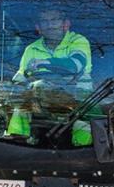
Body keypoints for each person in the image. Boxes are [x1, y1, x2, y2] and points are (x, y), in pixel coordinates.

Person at [5, 9, 93, 146]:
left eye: (54, 20)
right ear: (38, 28)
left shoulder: (78, 41)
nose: (50, 25)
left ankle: (85, 150)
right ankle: (18, 144)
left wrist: (46, 63)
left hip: (76, 101)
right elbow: (20, 79)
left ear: (66, 24)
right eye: (45, 21)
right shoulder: (31, 49)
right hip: (41, 102)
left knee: (86, 121)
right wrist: (12, 90)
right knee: (19, 106)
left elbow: (76, 65)